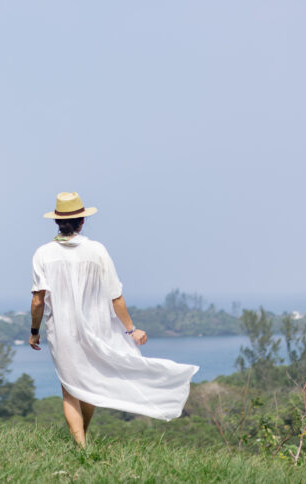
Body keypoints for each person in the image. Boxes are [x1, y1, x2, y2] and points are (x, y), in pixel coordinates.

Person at [29, 192, 199, 447]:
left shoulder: (43, 253)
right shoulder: (97, 251)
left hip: (62, 330)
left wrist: (34, 331)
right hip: (96, 327)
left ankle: (81, 446)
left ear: (56, 222)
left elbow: (38, 300)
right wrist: (132, 329)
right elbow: (115, 296)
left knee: (69, 387)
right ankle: (82, 443)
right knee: (88, 384)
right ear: (82, 221)